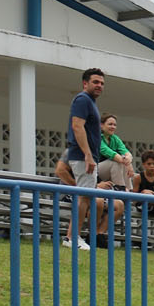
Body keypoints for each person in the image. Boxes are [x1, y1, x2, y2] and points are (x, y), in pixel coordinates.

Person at [64, 67, 105, 250]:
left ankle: (73, 237)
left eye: (102, 83)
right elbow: (77, 126)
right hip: (83, 157)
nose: (99, 85)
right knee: (84, 197)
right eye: (95, 82)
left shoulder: (90, 102)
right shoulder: (82, 100)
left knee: (86, 197)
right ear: (85, 83)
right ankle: (72, 238)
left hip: (87, 156)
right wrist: (88, 155)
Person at [97, 113, 135, 190]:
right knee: (115, 162)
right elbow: (110, 153)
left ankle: (129, 189)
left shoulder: (115, 138)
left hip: (109, 170)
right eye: (110, 124)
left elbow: (126, 152)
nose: (113, 127)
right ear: (101, 125)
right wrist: (127, 163)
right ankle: (120, 189)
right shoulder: (97, 137)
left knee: (122, 162)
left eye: (114, 125)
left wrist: (129, 162)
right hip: (95, 170)